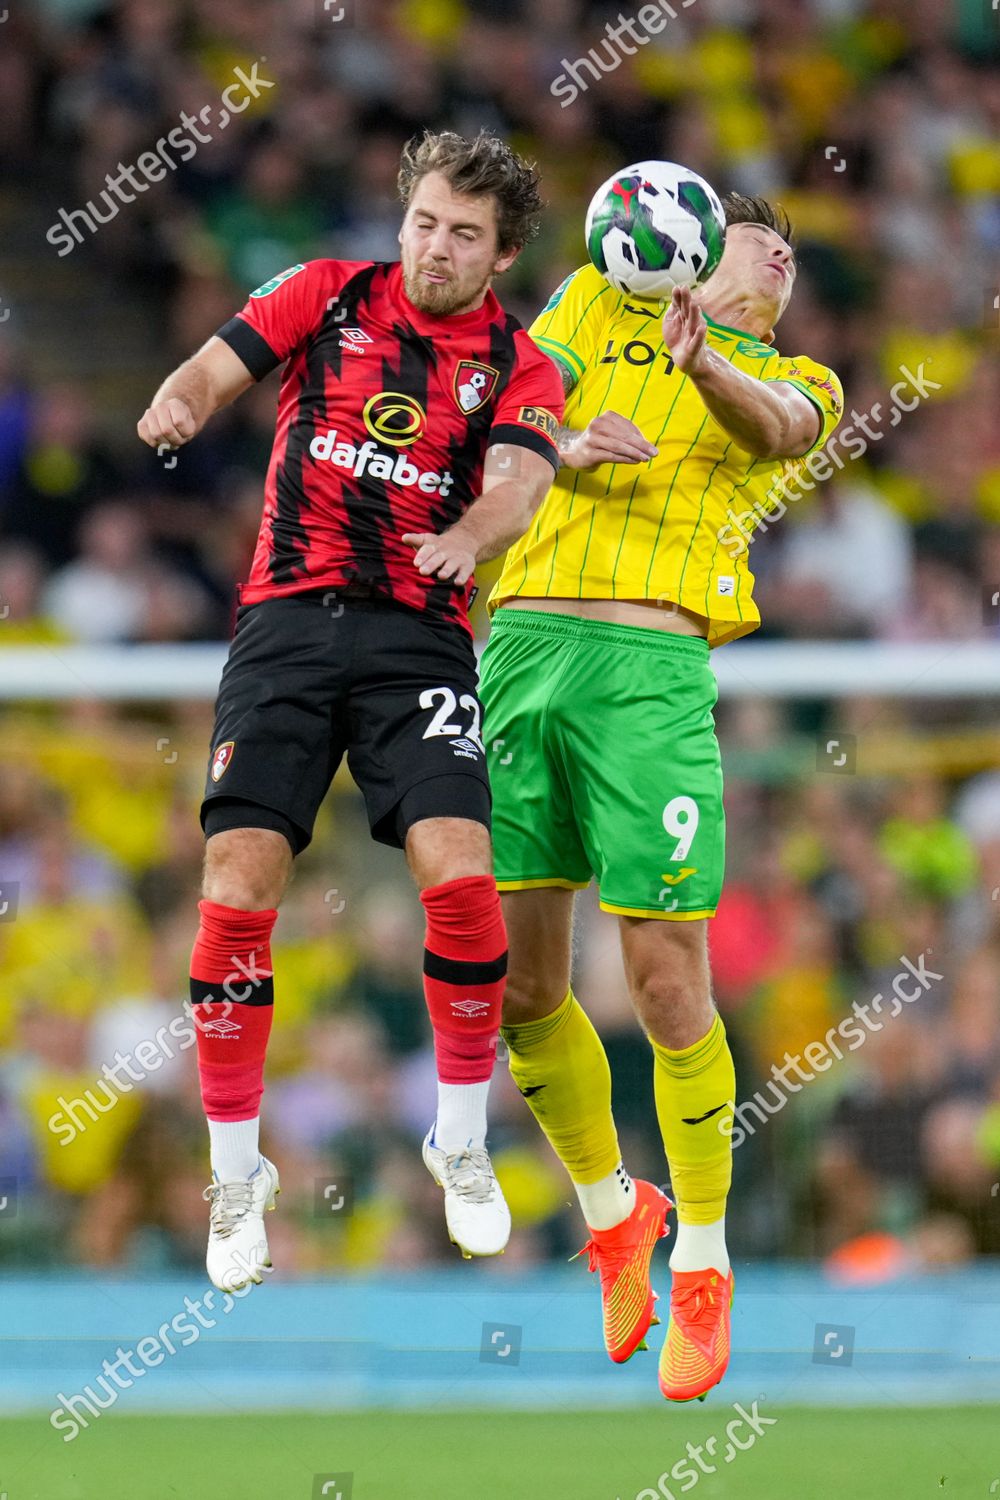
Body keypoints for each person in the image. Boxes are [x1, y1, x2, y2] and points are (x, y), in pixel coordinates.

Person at [137, 130, 564, 1291]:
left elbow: (521, 482)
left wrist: (467, 536)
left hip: (416, 634)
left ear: (502, 254)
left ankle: (460, 1140)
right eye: (425, 222)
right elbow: (215, 366)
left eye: (464, 234)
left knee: (461, 875)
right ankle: (239, 1175)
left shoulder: (519, 365)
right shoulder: (326, 295)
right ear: (403, 220)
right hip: (283, 625)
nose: (435, 247)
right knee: (235, 886)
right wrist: (179, 402)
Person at [479, 190, 843, 1401]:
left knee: (663, 978)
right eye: (756, 232)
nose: (779, 251)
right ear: (690, 240)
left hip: (650, 676)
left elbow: (783, 430)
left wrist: (702, 368)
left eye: (790, 249)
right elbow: (509, 401)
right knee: (519, 984)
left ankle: (704, 1261)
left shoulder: (797, 373)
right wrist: (559, 442)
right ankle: (610, 1215)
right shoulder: (592, 297)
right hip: (517, 653)